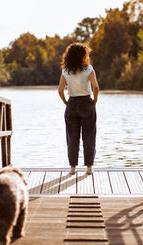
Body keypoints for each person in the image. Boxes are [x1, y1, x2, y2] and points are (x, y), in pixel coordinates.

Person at [58, 43, 99, 175]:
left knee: (72, 137)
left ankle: (72, 168)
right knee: (89, 136)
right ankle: (89, 168)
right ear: (84, 55)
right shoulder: (89, 69)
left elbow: (60, 90)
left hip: (72, 104)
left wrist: (66, 103)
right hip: (87, 103)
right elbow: (96, 87)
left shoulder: (65, 71)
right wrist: (95, 101)